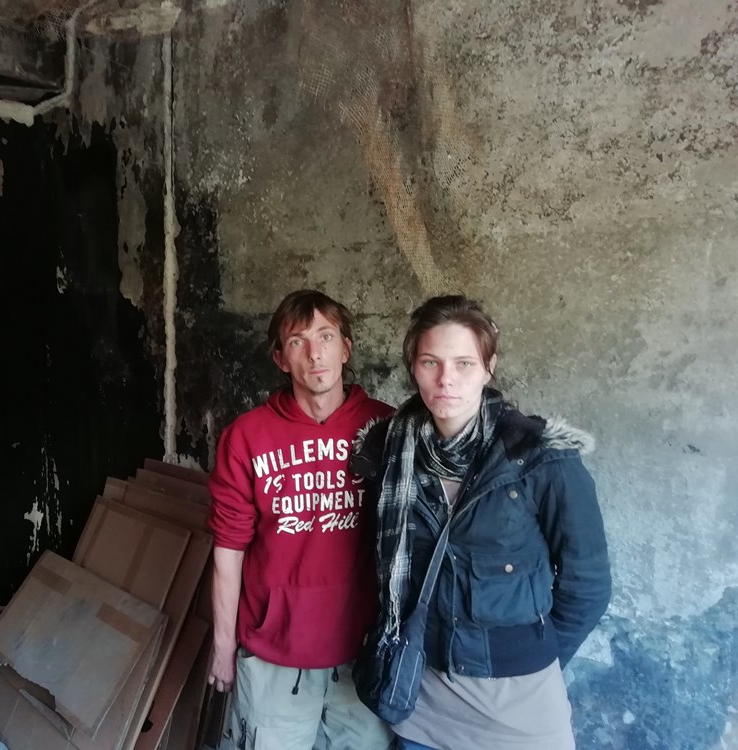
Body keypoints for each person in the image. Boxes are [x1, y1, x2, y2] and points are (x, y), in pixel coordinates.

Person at [352, 295, 611, 750]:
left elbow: (587, 586)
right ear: (413, 368)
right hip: (420, 703)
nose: (446, 379)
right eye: (430, 362)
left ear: (489, 367)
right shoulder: (389, 452)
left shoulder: (539, 458)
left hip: (520, 708)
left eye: (464, 363)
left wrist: (534, 660)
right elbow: (378, 566)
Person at [207, 289, 396, 750]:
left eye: (326, 337)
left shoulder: (387, 429)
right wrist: (224, 647)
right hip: (274, 654)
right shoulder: (246, 437)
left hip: (363, 652)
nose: (314, 353)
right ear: (280, 358)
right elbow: (229, 550)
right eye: (297, 341)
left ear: (345, 349)